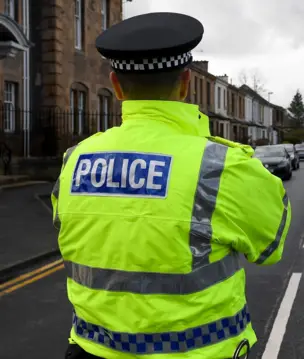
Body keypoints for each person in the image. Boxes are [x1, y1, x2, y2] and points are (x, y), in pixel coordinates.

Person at [52, 12, 291, 359]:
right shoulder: (220, 166)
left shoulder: (73, 161)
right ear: (185, 84)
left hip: (91, 351)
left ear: (116, 87)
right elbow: (273, 245)